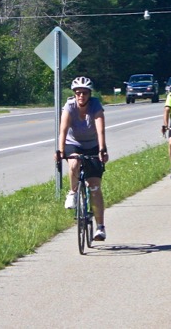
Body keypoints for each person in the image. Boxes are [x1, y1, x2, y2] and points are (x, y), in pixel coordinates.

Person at [54, 76, 109, 241]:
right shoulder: (69, 106)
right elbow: (63, 130)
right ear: (74, 94)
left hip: (92, 145)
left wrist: (102, 149)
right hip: (74, 144)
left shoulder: (95, 105)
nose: (81, 96)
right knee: (74, 163)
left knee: (95, 187)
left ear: (89, 94)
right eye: (78, 93)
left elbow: (100, 129)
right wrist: (60, 150)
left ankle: (100, 227)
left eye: (84, 93)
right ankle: (72, 192)